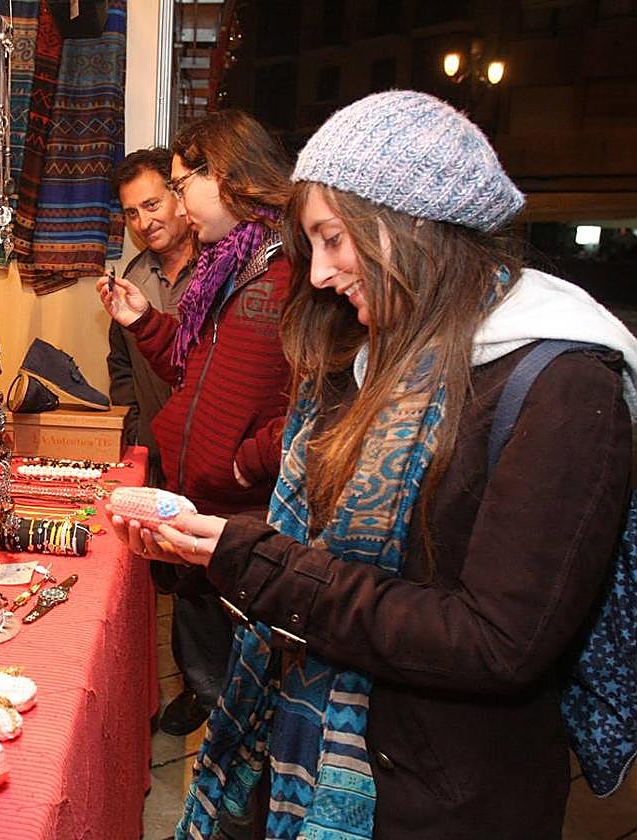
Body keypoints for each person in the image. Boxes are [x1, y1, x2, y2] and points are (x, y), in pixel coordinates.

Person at [116, 91, 637, 839]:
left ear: (414, 224)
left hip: (442, 802)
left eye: (334, 239)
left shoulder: (563, 388)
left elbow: (494, 643)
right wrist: (221, 541)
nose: (321, 275)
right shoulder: (372, 354)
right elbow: (337, 545)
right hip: (311, 747)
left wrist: (257, 561)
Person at [98, 112, 292, 736]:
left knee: (261, 687)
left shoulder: (290, 273)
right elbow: (194, 369)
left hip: (249, 507)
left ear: (228, 175)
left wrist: (246, 461)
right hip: (205, 495)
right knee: (207, 636)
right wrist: (143, 322)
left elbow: (316, 408)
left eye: (180, 187)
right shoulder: (229, 267)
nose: (174, 205)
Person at [106, 148, 195, 489]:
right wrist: (136, 431)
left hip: (215, 464)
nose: (143, 224)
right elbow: (121, 366)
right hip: (155, 461)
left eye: (151, 205)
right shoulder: (133, 276)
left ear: (180, 197)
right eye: (131, 213)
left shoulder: (220, 270)